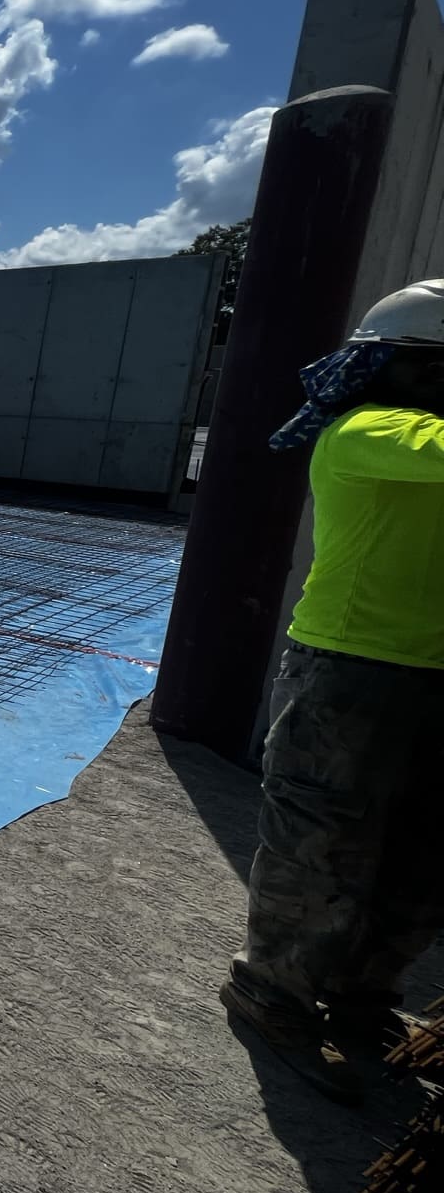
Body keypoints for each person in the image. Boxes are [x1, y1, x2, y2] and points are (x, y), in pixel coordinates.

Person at [222, 278, 444, 1105]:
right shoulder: (368, 428)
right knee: (323, 845)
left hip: (433, 675)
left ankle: (362, 999)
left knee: (417, 856)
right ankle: (272, 990)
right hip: (348, 671)